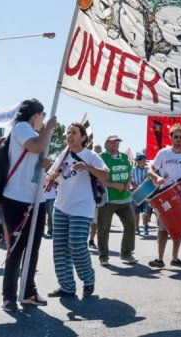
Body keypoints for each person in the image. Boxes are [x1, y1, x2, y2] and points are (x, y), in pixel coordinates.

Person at [0, 99, 56, 312]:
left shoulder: (35, 133)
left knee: (33, 248)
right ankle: (9, 295)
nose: (44, 120)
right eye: (43, 116)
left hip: (37, 198)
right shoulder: (22, 127)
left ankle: (28, 291)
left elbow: (35, 156)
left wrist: (45, 163)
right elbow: (35, 146)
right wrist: (49, 129)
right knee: (16, 248)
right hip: (16, 198)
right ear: (36, 114)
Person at [46, 122, 107, 299]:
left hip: (82, 208)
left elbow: (105, 175)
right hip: (61, 206)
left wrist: (87, 167)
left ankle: (88, 279)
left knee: (77, 244)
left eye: (73, 132)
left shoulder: (91, 155)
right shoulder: (63, 155)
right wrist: (51, 176)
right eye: (68, 133)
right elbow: (52, 177)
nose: (69, 135)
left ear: (83, 137)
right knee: (60, 249)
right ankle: (66, 286)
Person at [147, 124, 181, 268]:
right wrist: (157, 177)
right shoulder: (163, 153)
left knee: (180, 227)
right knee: (163, 228)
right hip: (164, 194)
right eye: (175, 136)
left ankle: (175, 258)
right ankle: (159, 259)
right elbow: (150, 169)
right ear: (171, 137)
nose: (178, 139)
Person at [97, 134, 137, 266]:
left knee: (131, 225)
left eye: (117, 141)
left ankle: (126, 253)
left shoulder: (124, 157)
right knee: (103, 228)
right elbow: (98, 178)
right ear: (106, 144)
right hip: (108, 199)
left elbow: (129, 173)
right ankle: (103, 256)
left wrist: (128, 183)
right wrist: (114, 185)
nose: (115, 143)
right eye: (112, 142)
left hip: (125, 199)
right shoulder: (101, 157)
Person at [131, 154, 151, 236]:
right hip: (136, 193)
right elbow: (129, 179)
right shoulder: (132, 169)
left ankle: (145, 227)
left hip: (145, 192)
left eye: (145, 160)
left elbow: (150, 178)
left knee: (146, 211)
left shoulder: (148, 169)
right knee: (136, 212)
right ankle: (136, 228)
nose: (145, 161)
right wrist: (134, 185)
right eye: (143, 160)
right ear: (138, 161)